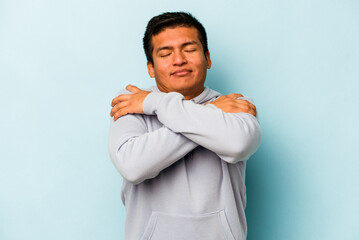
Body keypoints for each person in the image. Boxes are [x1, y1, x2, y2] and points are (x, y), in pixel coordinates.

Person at [108, 12, 261, 240]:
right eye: (165, 53)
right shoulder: (131, 103)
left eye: (189, 49)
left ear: (207, 58)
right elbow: (132, 166)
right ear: (151, 67)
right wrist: (212, 114)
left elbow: (238, 144)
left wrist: (154, 103)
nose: (179, 59)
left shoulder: (237, 104)